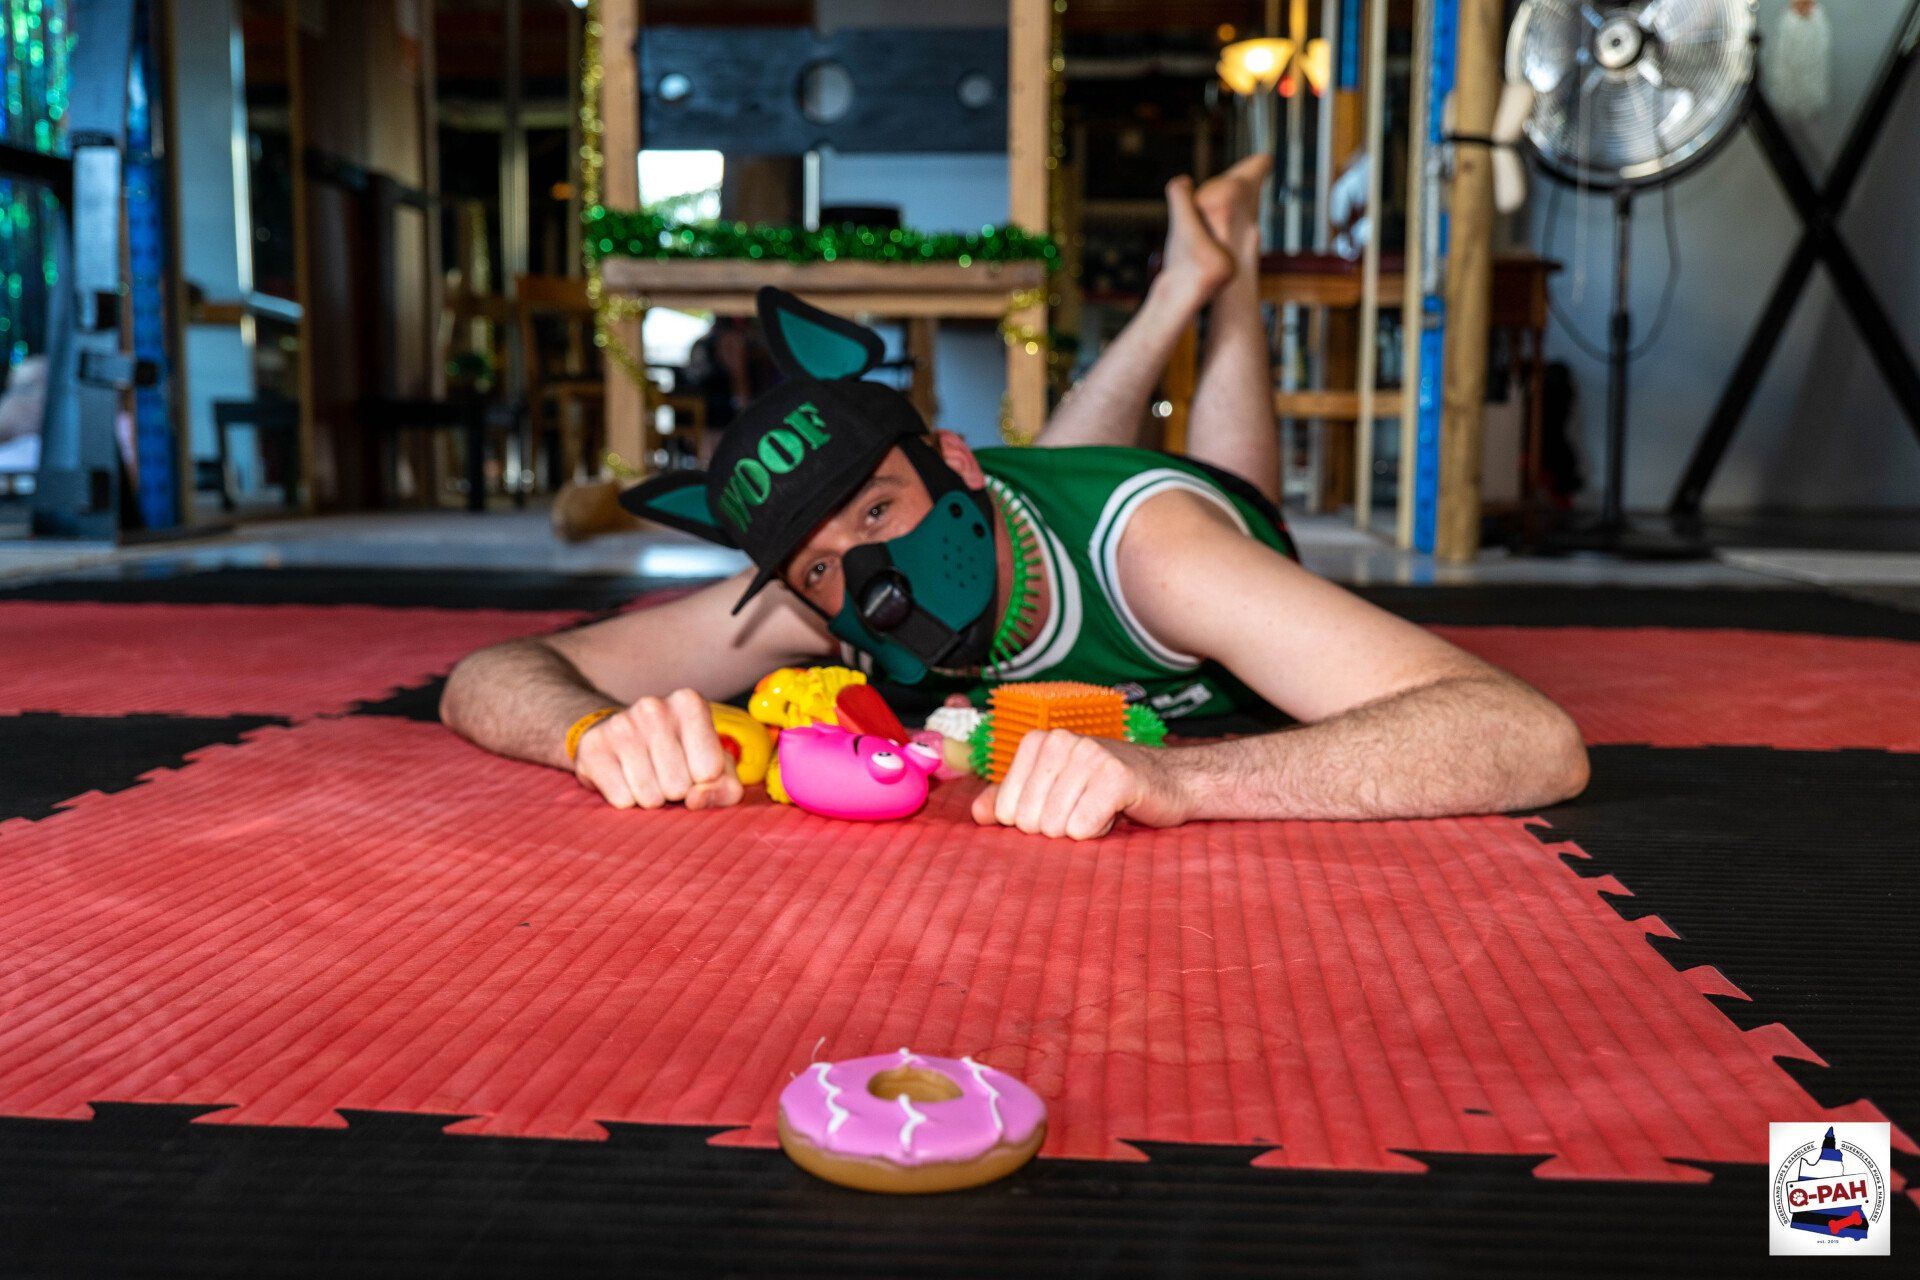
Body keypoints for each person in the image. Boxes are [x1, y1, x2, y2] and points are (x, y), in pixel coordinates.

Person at [443, 157, 1588, 839]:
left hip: (1163, 516)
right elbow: (488, 674)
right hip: (1017, 484)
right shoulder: (812, 600)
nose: (868, 576)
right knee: (1034, 472)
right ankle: (1184, 282)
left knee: (1220, 486)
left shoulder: (1164, 558)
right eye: (824, 561)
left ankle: (1221, 285)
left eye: (877, 512)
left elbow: (1530, 738)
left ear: (949, 463)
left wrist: (1180, 778)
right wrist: (593, 734)